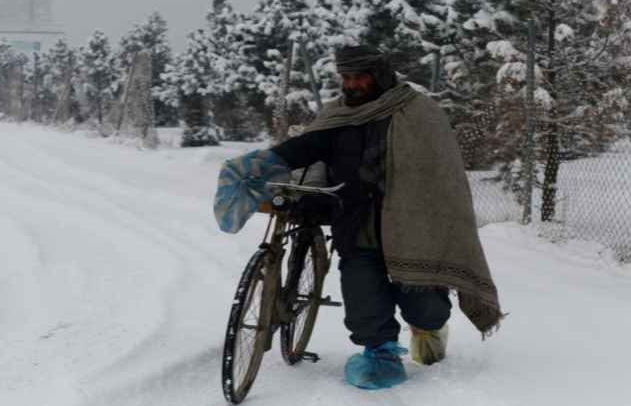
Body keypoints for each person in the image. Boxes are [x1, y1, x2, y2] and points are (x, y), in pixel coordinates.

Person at [214, 45, 504, 390]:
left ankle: (431, 328)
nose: (352, 84)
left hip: (414, 225)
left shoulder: (418, 111)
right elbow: (305, 148)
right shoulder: (338, 116)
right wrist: (260, 163)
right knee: (362, 297)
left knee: (422, 303)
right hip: (356, 219)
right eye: (347, 78)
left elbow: (441, 173)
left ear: (380, 76)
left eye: (360, 77)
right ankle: (380, 356)